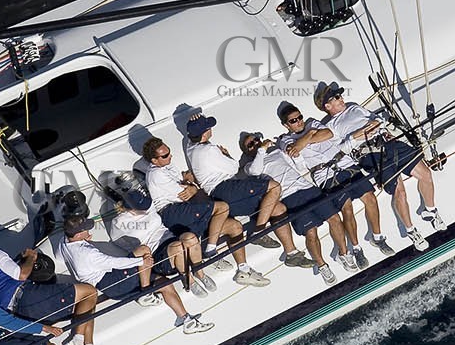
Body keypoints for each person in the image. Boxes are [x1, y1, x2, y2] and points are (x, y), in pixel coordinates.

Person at [316, 82, 443, 243]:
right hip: (370, 154)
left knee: (425, 174)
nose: (341, 98)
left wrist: (375, 126)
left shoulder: (354, 107)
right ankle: (411, 230)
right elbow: (342, 149)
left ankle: (430, 210)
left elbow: (377, 120)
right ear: (327, 105)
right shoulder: (331, 126)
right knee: (400, 191)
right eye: (336, 97)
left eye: (340, 95)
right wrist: (355, 136)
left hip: (388, 141)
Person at [275, 99, 399, 258]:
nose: (299, 122)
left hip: (344, 162)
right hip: (324, 174)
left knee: (370, 197)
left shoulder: (311, 122)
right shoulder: (285, 140)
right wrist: (311, 134)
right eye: (293, 121)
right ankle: (356, 248)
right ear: (286, 125)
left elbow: (328, 134)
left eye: (300, 117)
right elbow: (293, 151)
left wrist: (303, 141)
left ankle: (377, 237)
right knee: (346, 208)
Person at [181, 113, 309, 267]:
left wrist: (192, 123)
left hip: (223, 194)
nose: (210, 129)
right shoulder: (209, 149)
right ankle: (259, 232)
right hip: (226, 188)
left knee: (277, 207)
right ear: (204, 133)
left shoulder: (190, 146)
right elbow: (234, 168)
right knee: (274, 187)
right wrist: (226, 155)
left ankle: (292, 253)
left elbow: (191, 138)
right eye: (208, 127)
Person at [139, 136, 270, 285]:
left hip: (185, 209)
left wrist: (188, 184)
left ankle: (244, 270)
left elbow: (185, 185)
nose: (170, 156)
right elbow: (183, 192)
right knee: (222, 207)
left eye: (169, 153)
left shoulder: (166, 166)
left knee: (235, 226)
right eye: (165, 156)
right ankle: (210, 251)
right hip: (172, 211)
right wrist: (192, 186)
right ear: (154, 160)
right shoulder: (156, 174)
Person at [61, 217, 213, 337]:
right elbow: (113, 263)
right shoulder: (86, 253)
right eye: (86, 229)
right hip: (113, 283)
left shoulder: (65, 241)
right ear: (78, 234)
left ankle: (185, 320)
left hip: (110, 283)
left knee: (164, 283)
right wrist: (141, 261)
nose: (89, 230)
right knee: (143, 250)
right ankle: (145, 293)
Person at [240, 130, 353, 284]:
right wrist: (262, 149)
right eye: (250, 145)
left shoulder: (278, 153)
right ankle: (322, 265)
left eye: (256, 140)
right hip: (289, 197)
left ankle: (344, 253)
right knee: (310, 231)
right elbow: (255, 171)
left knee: (334, 218)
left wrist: (296, 154)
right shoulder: (249, 166)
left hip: (307, 188)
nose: (255, 143)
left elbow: (299, 166)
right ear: (247, 151)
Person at [109, 187, 214, 297]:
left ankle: (200, 273)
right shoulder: (119, 222)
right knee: (177, 247)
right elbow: (118, 241)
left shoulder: (147, 206)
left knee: (190, 237)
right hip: (157, 254)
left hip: (171, 238)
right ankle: (189, 281)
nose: (145, 208)